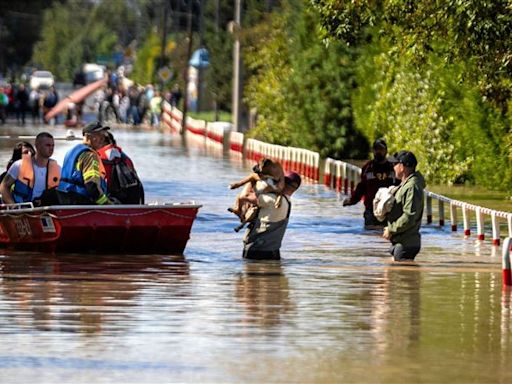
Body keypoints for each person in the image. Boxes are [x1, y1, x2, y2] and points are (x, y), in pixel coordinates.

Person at [242, 171, 302, 260]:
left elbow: (245, 196)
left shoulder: (271, 199)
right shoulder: (287, 202)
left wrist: (251, 179)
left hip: (257, 251)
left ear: (282, 183)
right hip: (273, 252)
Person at [343, 138, 398, 229]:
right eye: (376, 149)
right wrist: (352, 200)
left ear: (386, 151)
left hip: (389, 210)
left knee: (386, 236)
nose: (378, 152)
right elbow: (361, 187)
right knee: (370, 235)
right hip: (370, 210)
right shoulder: (368, 168)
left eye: (381, 149)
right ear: (373, 151)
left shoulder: (392, 167)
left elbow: (400, 186)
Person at [57, 121, 114, 205]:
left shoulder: (71, 151)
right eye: (98, 135)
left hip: (64, 198)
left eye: (103, 135)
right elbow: (91, 185)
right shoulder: (90, 156)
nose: (102, 138)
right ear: (88, 136)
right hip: (81, 201)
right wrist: (106, 204)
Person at [383, 150, 425, 261]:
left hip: (406, 244)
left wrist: (391, 229)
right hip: (402, 241)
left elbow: (409, 216)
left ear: (401, 166)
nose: (393, 167)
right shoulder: (407, 184)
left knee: (401, 277)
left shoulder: (412, 186)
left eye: (394, 164)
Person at [0, 133, 60, 205]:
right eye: (48, 145)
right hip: (22, 210)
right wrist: (12, 205)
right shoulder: (18, 165)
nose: (51, 148)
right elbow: (4, 186)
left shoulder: (58, 169)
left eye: (53, 145)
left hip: (46, 210)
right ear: (37, 146)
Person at [97, 131, 144, 204]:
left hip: (108, 201)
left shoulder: (97, 156)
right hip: (130, 200)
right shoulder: (125, 158)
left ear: (100, 141)